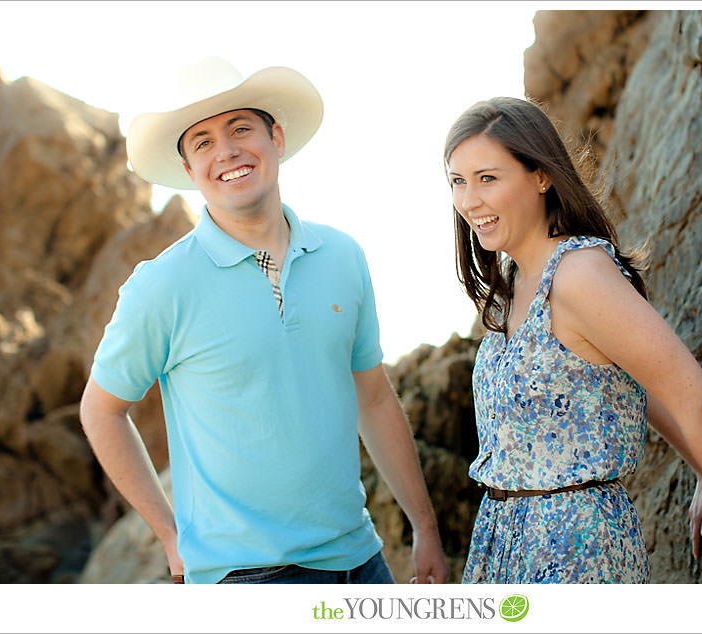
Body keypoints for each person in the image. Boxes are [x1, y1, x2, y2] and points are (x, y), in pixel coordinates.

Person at [79, 58, 447, 585]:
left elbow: (374, 397)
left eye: (240, 128)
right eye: (202, 141)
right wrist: (169, 534)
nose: (226, 151)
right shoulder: (162, 285)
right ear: (188, 169)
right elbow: (101, 410)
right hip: (245, 580)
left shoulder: (343, 256)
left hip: (362, 563)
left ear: (276, 137)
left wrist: (424, 528)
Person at [443, 96, 702, 584]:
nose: (468, 201)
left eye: (487, 178)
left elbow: (696, 404)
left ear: (541, 176)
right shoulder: (511, 283)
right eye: (457, 181)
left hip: (576, 548)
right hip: (503, 542)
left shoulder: (579, 274)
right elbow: (618, 386)